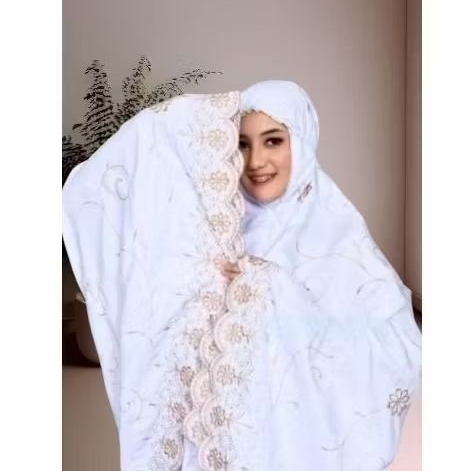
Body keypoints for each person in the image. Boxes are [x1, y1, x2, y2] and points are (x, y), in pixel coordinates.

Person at [63, 80, 421, 471]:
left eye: (273, 141)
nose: (255, 162)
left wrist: (270, 286)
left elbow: (394, 352)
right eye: (242, 144)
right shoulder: (216, 231)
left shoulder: (339, 236)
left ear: (302, 142)